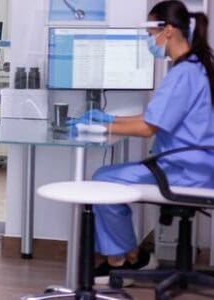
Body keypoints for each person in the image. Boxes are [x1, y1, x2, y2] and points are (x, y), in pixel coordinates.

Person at [75, 0, 214, 285]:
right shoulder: (192, 67)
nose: (149, 40)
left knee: (102, 179)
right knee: (108, 177)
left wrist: (105, 124)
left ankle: (123, 262)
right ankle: (131, 256)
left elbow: (148, 127)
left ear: (168, 31)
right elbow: (154, 118)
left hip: (183, 170)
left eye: (151, 33)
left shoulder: (184, 73)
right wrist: (107, 119)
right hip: (192, 165)